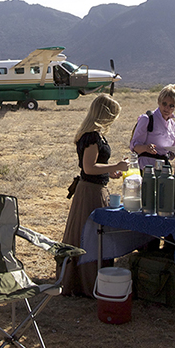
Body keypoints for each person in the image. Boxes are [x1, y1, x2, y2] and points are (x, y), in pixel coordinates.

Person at [60, 94, 132, 297]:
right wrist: (115, 166)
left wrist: (109, 171)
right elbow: (89, 167)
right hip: (90, 192)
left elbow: (94, 166)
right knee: (89, 235)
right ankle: (85, 282)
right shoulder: (92, 136)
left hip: (94, 189)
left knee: (91, 234)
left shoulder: (95, 134)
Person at [129, 84, 175, 171]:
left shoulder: (173, 125)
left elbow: (169, 152)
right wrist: (146, 148)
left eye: (171, 105)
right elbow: (134, 147)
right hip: (146, 169)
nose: (167, 108)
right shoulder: (147, 119)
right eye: (164, 104)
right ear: (159, 102)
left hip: (164, 169)